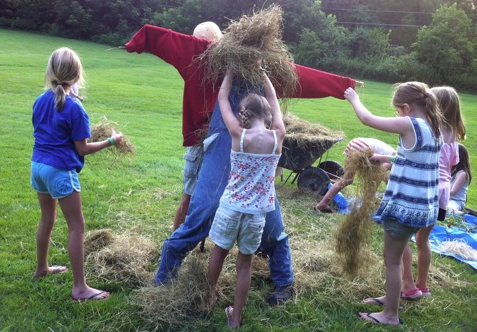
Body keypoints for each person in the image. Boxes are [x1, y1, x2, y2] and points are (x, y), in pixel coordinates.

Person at [125, 17, 358, 305]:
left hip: (255, 158)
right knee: (203, 211)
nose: (207, 47)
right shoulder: (204, 58)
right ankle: (163, 278)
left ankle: (284, 282)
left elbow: (302, 76)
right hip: (222, 143)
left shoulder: (266, 65)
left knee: (271, 222)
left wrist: (343, 86)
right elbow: (169, 40)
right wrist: (141, 40)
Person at [344, 82, 443, 326]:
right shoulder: (436, 126)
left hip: (404, 207)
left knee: (392, 259)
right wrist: (385, 157)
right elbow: (414, 158)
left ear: (407, 108)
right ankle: (392, 298)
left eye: (398, 111)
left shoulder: (410, 123)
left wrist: (353, 98)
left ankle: (390, 314)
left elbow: (367, 119)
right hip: (424, 208)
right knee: (397, 255)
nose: (397, 116)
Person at [31, 47, 123, 302]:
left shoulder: (40, 100)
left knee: (46, 220)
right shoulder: (75, 109)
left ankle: (41, 268)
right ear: (77, 74)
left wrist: (73, 98)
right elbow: (82, 147)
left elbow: (47, 128)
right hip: (59, 170)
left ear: (50, 72)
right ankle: (80, 287)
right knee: (77, 226)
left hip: (37, 167)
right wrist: (111, 142)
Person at [208, 68, 285, 328]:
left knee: (218, 253)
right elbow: (273, 98)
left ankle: (207, 298)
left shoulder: (238, 135)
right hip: (256, 214)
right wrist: (263, 74)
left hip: (230, 207)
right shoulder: (278, 137)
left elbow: (222, 98)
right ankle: (236, 317)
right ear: (268, 115)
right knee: (245, 265)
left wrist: (229, 72)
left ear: (244, 113)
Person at [401, 86, 465, 300]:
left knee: (401, 238)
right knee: (423, 241)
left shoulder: (429, 131)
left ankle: (408, 285)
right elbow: (454, 163)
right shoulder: (453, 136)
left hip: (426, 189)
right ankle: (423, 284)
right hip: (443, 196)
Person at [173, 22, 223, 232]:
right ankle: (174, 242)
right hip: (199, 144)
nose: (202, 48)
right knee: (189, 196)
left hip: (222, 145)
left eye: (206, 43)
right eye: (197, 43)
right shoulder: (193, 68)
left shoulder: (230, 67)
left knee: (216, 198)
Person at [315, 138, 396, 213]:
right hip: (363, 147)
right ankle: (364, 208)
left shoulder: (395, 157)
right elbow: (377, 177)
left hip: (355, 143)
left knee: (346, 180)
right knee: (349, 180)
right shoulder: (395, 163)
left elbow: (385, 176)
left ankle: (322, 204)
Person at [448, 143, 471, 214]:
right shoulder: (451, 170)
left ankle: (464, 215)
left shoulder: (462, 174)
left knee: (447, 209)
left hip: (456, 201)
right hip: (447, 198)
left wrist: (439, 190)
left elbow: (453, 192)